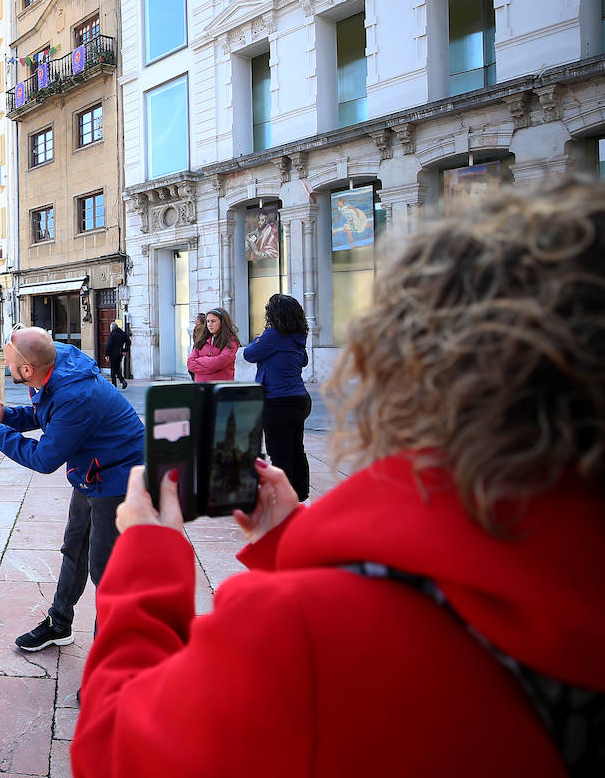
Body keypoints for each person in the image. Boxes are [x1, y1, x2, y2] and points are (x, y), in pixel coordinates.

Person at [73, 178, 605, 777]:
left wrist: (148, 556)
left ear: (410, 367)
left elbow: (115, 750)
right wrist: (287, 535)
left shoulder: (310, 636)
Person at [0, 325, 145, 652]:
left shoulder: (75, 394)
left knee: (107, 573)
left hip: (120, 477)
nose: (6, 368)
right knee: (74, 548)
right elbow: (46, 414)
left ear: (27, 369)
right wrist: (6, 415)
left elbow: (44, 458)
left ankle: (110, 665)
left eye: (9, 364)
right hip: (92, 472)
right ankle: (59, 623)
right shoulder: (51, 364)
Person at [242, 293, 311, 498]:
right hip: (299, 399)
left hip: (278, 401)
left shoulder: (273, 335)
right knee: (296, 448)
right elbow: (304, 361)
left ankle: (284, 498)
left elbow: (249, 354)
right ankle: (300, 493)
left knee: (279, 453)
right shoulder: (298, 336)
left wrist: (261, 336)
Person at [186, 308, 239, 382]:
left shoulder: (231, 341)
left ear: (222, 322)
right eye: (207, 321)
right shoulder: (202, 340)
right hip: (201, 387)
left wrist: (200, 360)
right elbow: (190, 364)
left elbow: (220, 362)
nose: (210, 325)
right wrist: (212, 367)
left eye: (213, 321)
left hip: (221, 388)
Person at [105, 320, 130, 389]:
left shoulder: (112, 334)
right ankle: (123, 381)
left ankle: (114, 385)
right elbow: (128, 342)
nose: (110, 330)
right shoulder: (123, 333)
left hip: (113, 354)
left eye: (110, 328)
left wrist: (107, 355)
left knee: (113, 369)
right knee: (117, 369)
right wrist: (125, 350)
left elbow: (109, 345)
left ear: (112, 328)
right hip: (120, 353)